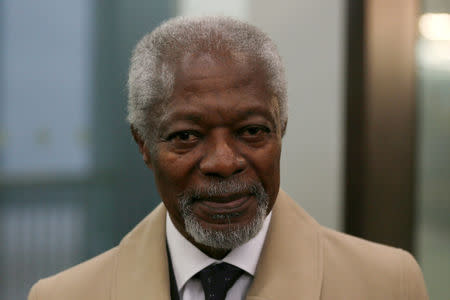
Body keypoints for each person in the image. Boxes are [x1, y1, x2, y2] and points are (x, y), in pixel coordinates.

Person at [28, 16, 428, 300]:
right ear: (144, 145)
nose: (223, 162)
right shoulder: (63, 295)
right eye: (186, 136)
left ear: (281, 129)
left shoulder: (387, 284)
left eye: (252, 131)